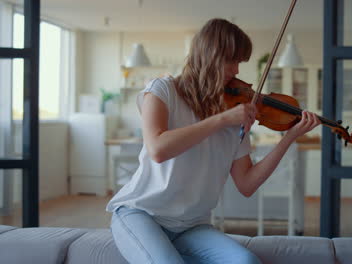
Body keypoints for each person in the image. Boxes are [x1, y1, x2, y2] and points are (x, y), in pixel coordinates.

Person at [106, 18, 321, 264]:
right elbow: (158, 149)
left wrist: (289, 137)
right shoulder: (163, 90)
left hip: (192, 226)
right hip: (141, 214)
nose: (237, 71)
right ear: (210, 55)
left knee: (246, 262)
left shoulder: (235, 112)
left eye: (240, 62)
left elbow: (247, 184)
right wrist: (220, 120)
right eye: (232, 60)